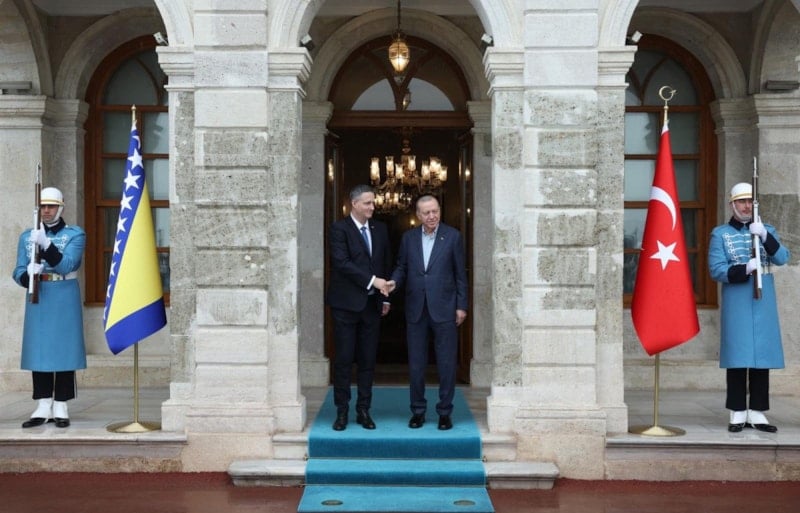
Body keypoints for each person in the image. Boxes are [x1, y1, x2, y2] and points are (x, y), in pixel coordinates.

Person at [708, 182, 790, 433]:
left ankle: (757, 411)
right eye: (741, 202)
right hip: (737, 297)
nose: (745, 206)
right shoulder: (720, 234)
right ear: (732, 204)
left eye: (749, 202)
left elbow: (782, 258)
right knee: (738, 355)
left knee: (761, 355)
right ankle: (737, 410)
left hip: (763, 298)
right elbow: (716, 269)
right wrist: (744, 268)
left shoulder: (767, 230)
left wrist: (764, 236)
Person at [388, 194, 467, 430]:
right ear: (418, 215)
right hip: (416, 308)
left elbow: (460, 274)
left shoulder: (453, 236)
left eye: (435, 211)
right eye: (427, 213)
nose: (432, 216)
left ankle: (445, 412)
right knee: (416, 363)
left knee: (446, 363)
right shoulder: (408, 238)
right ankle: (418, 411)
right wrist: (393, 282)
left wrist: (461, 305)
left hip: (445, 306)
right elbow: (402, 267)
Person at [12, 187, 87, 429]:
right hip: (39, 293)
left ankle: (61, 404)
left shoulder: (75, 234)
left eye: (51, 206)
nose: (46, 210)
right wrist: (28, 275)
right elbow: (18, 271)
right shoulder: (27, 236)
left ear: (60, 208)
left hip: (63, 292)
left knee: (64, 349)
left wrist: (46, 245)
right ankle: (43, 404)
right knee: (39, 349)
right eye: (43, 206)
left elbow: (67, 265)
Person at [326, 184, 393, 431]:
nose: (372, 207)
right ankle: (342, 411)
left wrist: (385, 297)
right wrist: (373, 281)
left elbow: (385, 262)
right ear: (354, 204)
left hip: (372, 305)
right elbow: (341, 263)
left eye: (373, 202)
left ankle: (364, 410)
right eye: (367, 203)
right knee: (344, 360)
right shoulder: (339, 229)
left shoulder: (380, 229)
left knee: (367, 361)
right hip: (345, 306)